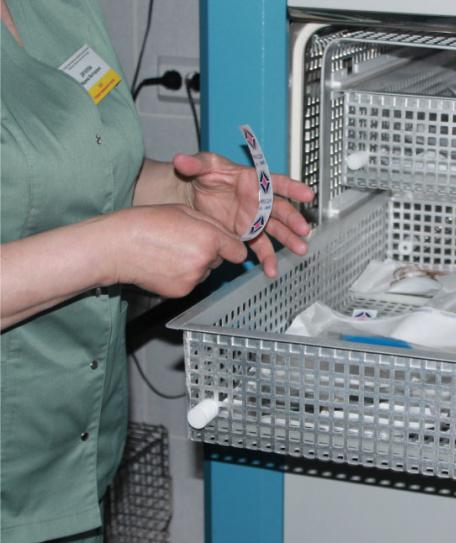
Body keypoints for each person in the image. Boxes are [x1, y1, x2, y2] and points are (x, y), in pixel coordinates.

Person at [0, 1, 315, 541]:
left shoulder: (57, 9)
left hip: (68, 465)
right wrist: (115, 248)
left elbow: (65, 176)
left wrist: (183, 193)